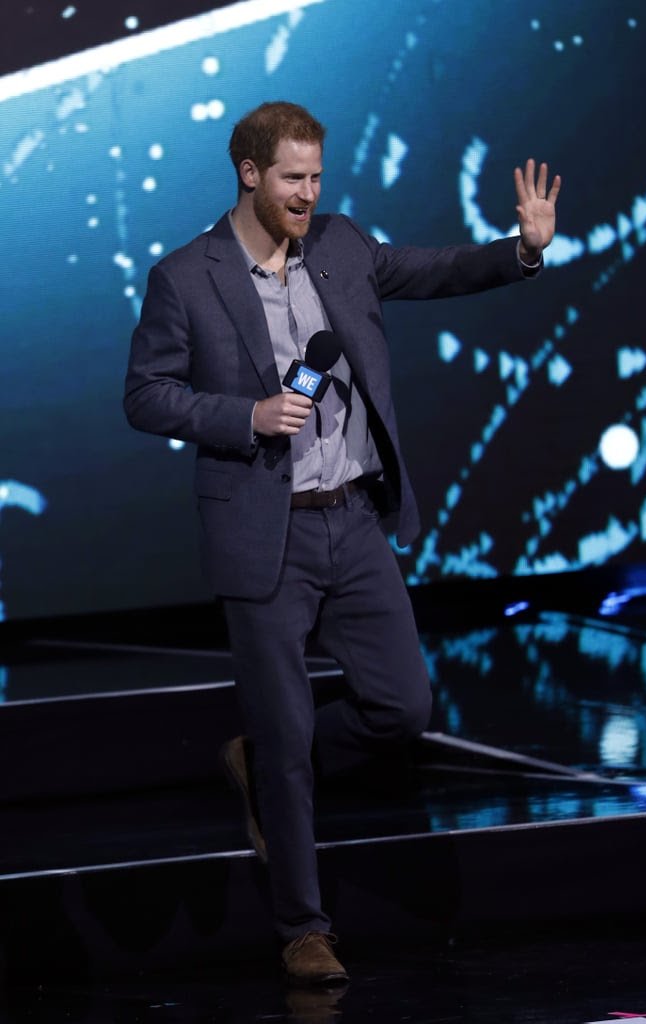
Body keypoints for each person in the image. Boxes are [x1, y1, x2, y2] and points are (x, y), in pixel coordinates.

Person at [124, 100, 560, 985]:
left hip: (354, 519)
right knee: (283, 734)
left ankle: (263, 764)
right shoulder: (186, 276)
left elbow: (431, 270)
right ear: (249, 173)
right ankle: (303, 929)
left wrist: (522, 250)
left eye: (317, 177)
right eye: (293, 178)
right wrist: (242, 414)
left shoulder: (341, 243)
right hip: (263, 531)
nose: (308, 193)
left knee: (402, 708)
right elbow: (145, 394)